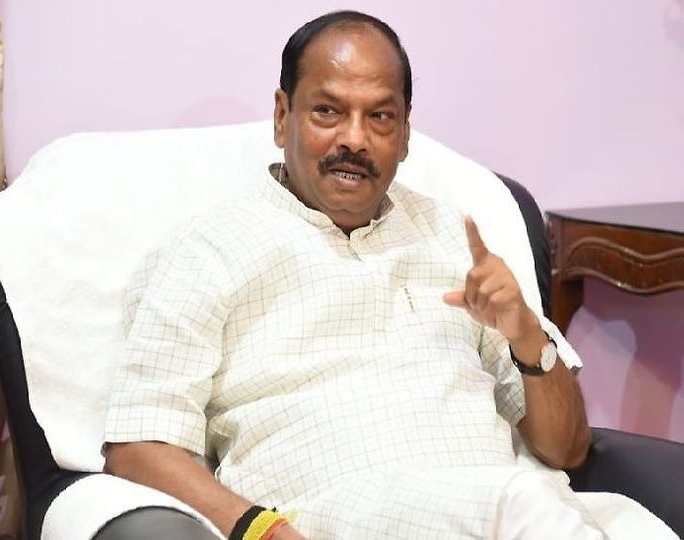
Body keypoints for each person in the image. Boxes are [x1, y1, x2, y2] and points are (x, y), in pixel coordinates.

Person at [103, 10, 603, 540]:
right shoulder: (206, 251)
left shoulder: (454, 238)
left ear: (404, 134)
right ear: (281, 116)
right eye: (327, 111)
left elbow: (567, 449)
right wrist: (261, 531)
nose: (355, 139)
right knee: (528, 503)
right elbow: (139, 445)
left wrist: (525, 333)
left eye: (380, 117)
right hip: (325, 519)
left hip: (497, 507)